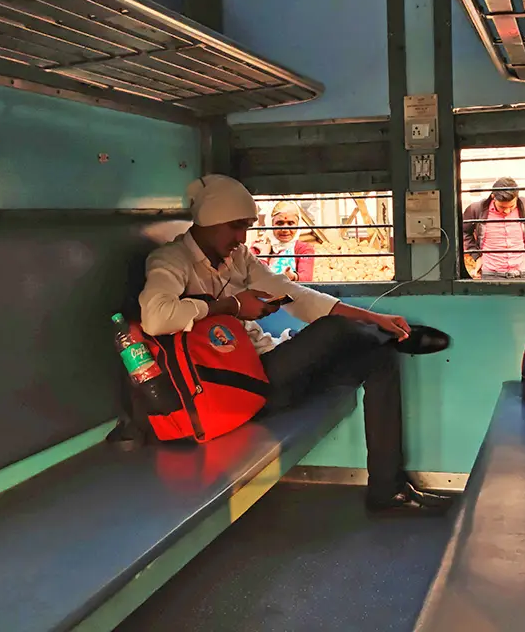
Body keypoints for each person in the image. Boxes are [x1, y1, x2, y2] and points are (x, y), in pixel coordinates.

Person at [138, 175, 452, 514]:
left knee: (380, 360)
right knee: (332, 330)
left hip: (269, 372)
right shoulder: (171, 261)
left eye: (246, 227)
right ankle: (397, 338)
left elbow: (296, 296)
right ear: (210, 221)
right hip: (234, 391)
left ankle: (386, 489)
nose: (241, 238)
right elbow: (155, 318)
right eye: (235, 227)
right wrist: (233, 306)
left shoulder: (237, 258)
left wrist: (374, 318)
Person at [462, 177, 525, 279]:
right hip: (491, 272)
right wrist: (477, 257)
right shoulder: (476, 209)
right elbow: (464, 232)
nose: (507, 211)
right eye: (502, 207)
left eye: (512, 206)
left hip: (522, 271)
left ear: (517, 197)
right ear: (493, 196)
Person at [250, 200, 315, 282]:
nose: (285, 229)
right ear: (270, 224)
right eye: (279, 223)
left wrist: (293, 276)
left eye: (290, 223)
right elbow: (252, 278)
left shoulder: (303, 249)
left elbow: (307, 278)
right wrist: (264, 254)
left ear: (298, 225)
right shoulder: (258, 247)